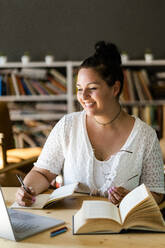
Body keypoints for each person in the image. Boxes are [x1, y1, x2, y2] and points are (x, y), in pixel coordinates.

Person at [16, 41, 164, 207]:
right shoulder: (67, 125)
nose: (83, 96)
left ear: (115, 89)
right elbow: (42, 173)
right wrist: (28, 190)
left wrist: (131, 198)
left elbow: (157, 192)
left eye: (92, 88)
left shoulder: (146, 136)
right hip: (72, 224)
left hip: (123, 228)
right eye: (79, 89)